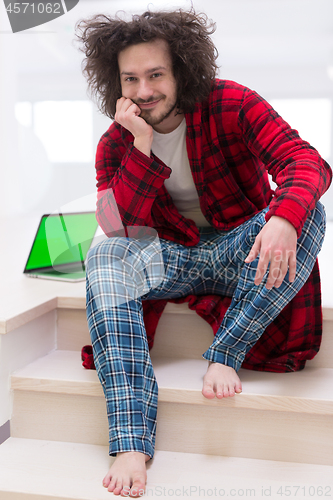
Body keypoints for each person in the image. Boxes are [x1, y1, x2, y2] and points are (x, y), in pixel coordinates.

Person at [76, 8, 332, 497]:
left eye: (156, 75)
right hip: (171, 260)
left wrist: (281, 218)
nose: (144, 90)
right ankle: (130, 441)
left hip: (241, 251)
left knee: (307, 213)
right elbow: (118, 227)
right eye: (131, 78)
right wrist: (142, 145)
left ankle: (226, 353)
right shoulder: (117, 143)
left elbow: (306, 162)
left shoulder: (231, 102)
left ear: (182, 71)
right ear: (116, 81)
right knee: (105, 255)